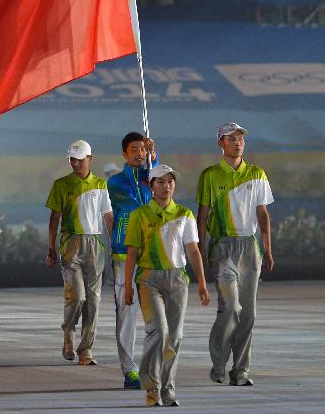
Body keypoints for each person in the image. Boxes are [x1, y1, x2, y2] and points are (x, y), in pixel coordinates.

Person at [124, 164, 209, 407]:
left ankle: (168, 388)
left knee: (174, 337)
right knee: (158, 332)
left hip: (178, 280)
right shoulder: (140, 215)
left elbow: (193, 250)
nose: (166, 186)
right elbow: (132, 252)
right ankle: (152, 388)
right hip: (148, 279)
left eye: (170, 181)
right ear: (151, 186)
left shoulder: (184, 214)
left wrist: (202, 282)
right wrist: (129, 287)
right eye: (160, 182)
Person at [196, 123, 274, 386]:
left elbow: (263, 213)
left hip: (250, 248)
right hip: (222, 247)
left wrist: (267, 247)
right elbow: (203, 214)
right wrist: (198, 247)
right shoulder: (210, 175)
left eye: (240, 138)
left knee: (248, 314)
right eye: (232, 138)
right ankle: (219, 365)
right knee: (230, 307)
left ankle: (240, 371)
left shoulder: (257, 173)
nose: (238, 142)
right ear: (221, 143)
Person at [46, 140, 113, 365]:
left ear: (89, 159)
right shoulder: (61, 184)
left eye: (79, 159)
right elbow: (54, 218)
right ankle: (68, 333)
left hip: (95, 245)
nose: (75, 163)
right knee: (77, 297)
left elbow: (108, 216)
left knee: (93, 300)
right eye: (72, 159)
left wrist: (116, 245)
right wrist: (51, 247)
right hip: (70, 245)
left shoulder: (101, 185)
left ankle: (85, 350)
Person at [107, 132, 158, 389]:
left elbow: (162, 182)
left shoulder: (154, 178)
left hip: (153, 255)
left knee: (155, 315)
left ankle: (152, 367)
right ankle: (130, 371)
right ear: (125, 154)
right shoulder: (114, 184)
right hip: (124, 256)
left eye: (142, 149)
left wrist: (154, 157)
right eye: (134, 149)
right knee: (127, 313)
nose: (139, 153)